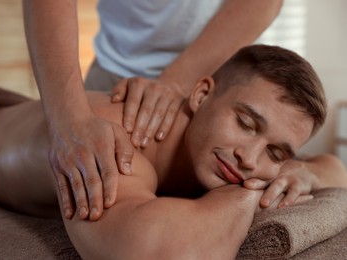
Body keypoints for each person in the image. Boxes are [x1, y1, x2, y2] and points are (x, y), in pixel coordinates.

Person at [0, 45, 346, 259]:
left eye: (277, 152)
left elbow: (335, 171)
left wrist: (304, 172)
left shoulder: (231, 154)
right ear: (201, 94)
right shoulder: (114, 140)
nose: (250, 158)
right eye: (245, 124)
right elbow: (156, 252)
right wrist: (251, 189)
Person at [22, 0, 284, 220]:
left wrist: (176, 81)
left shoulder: (253, 142)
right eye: (246, 125)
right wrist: (68, 118)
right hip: (115, 71)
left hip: (221, 80)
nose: (249, 160)